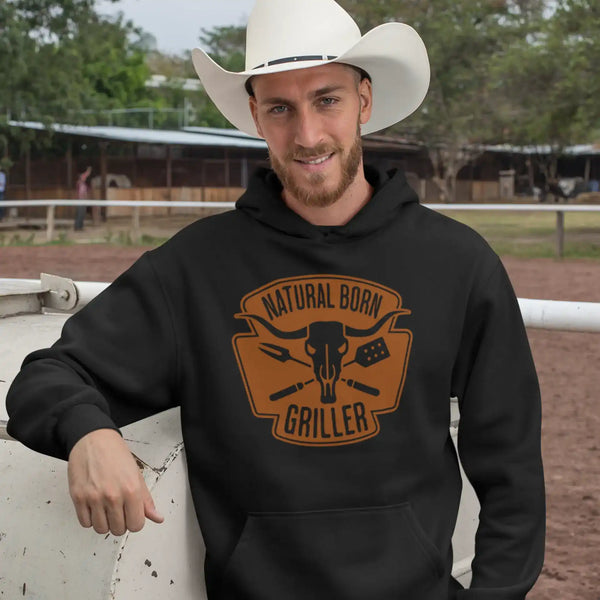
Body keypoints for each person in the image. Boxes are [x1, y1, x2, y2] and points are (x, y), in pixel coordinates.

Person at [6, 1, 545, 598]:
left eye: (327, 99)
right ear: (254, 115)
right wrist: (88, 432)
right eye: (281, 108)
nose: (307, 135)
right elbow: (46, 376)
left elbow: (513, 469)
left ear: (364, 100)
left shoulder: (459, 265)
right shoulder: (193, 270)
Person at [74, 165, 92, 231]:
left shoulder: (84, 184)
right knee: (80, 213)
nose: (84, 178)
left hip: (84, 200)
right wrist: (88, 170)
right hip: (80, 200)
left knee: (82, 213)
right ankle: (78, 227)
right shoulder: (80, 183)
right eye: (83, 177)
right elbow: (86, 175)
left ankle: (80, 227)